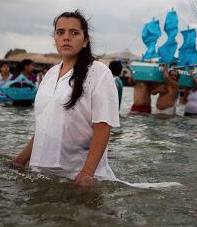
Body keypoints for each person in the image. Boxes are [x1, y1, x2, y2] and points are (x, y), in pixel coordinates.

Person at [11, 10, 120, 186]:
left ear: (85, 41)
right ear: (54, 38)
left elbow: (103, 126)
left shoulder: (98, 72)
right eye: (60, 32)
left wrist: (87, 173)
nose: (66, 37)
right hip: (41, 174)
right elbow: (43, 128)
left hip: (77, 177)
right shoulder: (50, 75)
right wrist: (18, 162)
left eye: (74, 33)